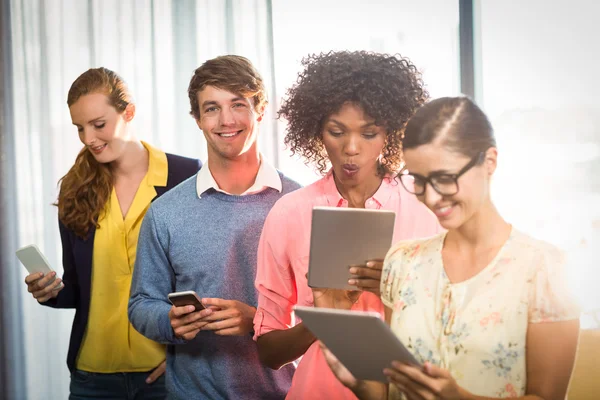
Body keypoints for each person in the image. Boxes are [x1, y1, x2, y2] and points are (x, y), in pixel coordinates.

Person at [322, 96, 581, 400]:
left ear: (490, 162)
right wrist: (365, 388)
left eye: (444, 178)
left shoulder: (545, 269)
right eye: (418, 180)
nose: (431, 198)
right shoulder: (402, 262)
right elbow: (394, 388)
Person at [253, 51, 441, 400]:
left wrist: (398, 292)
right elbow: (269, 352)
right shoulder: (289, 213)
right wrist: (323, 321)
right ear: (316, 131)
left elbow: (456, 328)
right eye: (336, 131)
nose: (351, 148)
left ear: (391, 132)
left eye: (369, 133)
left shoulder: (427, 211)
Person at [128, 55, 300, 400]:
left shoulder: (300, 204)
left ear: (260, 111)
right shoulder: (165, 212)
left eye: (238, 104)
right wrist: (169, 321)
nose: (227, 120)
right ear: (197, 119)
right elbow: (141, 303)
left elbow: (326, 314)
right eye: (211, 108)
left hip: (283, 394)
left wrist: (258, 320)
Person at [23, 67, 201, 399]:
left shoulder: (186, 175)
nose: (88, 138)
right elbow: (77, 289)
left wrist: (186, 356)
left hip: (165, 372)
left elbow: (206, 279)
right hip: (93, 376)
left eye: (99, 124)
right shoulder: (76, 189)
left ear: (128, 112)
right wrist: (49, 291)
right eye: (79, 128)